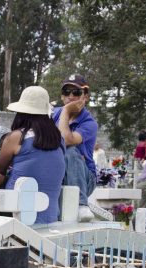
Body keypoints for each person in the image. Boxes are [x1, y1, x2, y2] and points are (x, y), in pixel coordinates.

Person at [0, 86, 65, 226]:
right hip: (50, 217)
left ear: (21, 112)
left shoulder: (16, 137)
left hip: (15, 216)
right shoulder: (59, 140)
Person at [52, 74, 99, 220]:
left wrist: (66, 112)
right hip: (58, 171)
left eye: (76, 92)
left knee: (71, 151)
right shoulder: (53, 114)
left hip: (84, 179)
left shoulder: (89, 123)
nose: (70, 96)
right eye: (66, 92)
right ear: (62, 96)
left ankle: (81, 204)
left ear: (86, 97)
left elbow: (65, 140)